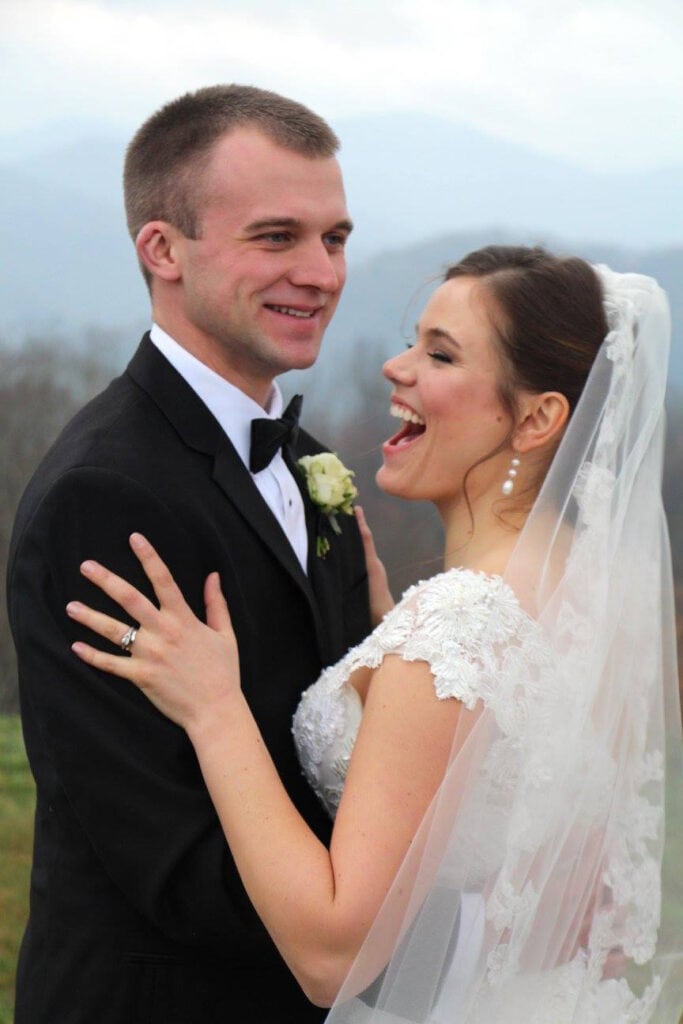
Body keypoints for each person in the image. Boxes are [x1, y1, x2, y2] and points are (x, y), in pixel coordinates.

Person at [67, 245, 683, 1023]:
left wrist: (214, 709)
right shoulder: (590, 597)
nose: (397, 368)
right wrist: (392, 631)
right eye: (412, 341)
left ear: (536, 418)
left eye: (439, 354)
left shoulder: (454, 631)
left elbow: (332, 954)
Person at [6, 84, 371, 1024]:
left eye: (334, 239)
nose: (320, 272)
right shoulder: (105, 495)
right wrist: (416, 929)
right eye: (276, 236)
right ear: (162, 250)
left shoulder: (311, 462)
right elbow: (169, 861)